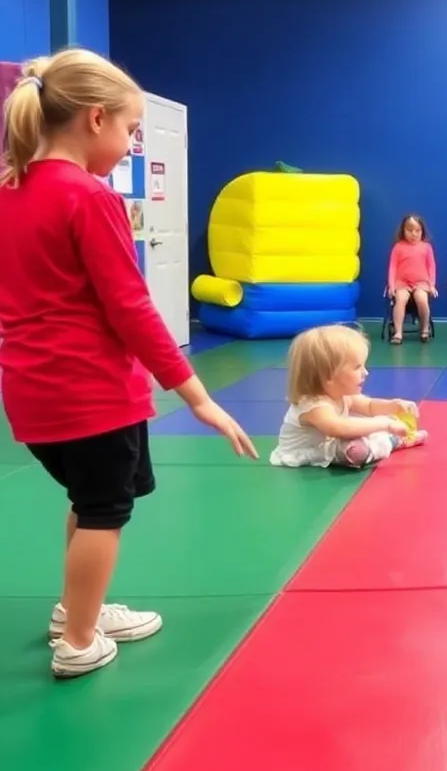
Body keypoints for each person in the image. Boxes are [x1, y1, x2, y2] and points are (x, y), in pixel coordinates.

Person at [0, 48, 257, 679]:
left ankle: (73, 609)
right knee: (104, 512)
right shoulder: (88, 198)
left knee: (88, 500)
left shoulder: (10, 189)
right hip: (91, 394)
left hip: (32, 395)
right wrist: (196, 394)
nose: (129, 143)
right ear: (94, 119)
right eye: (130, 131)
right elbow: (132, 308)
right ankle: (79, 640)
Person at [271, 324, 427, 469]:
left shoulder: (342, 394)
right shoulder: (314, 406)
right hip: (309, 452)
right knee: (356, 451)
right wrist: (385, 424)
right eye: (357, 367)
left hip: (332, 443)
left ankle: (394, 437)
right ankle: (394, 440)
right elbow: (339, 428)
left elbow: (369, 406)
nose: (365, 372)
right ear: (328, 376)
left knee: (374, 424)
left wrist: (393, 405)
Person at [386, 213, 437, 344]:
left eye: (417, 230)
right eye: (409, 230)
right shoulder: (398, 247)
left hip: (421, 282)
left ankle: (424, 329)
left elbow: (431, 267)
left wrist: (431, 285)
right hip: (401, 282)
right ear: (403, 231)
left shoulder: (426, 247)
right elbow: (392, 267)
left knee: (422, 299)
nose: (414, 234)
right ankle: (398, 332)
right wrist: (391, 285)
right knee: (401, 299)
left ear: (422, 231)